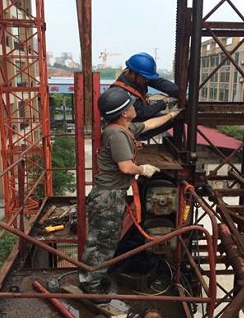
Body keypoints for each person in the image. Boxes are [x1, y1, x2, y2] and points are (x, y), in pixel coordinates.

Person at [78, 87, 182, 303]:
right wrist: (143, 169)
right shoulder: (116, 134)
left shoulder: (123, 128)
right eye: (131, 105)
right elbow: (126, 167)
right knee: (101, 242)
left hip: (111, 195)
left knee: (107, 240)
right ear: (124, 113)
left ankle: (95, 277)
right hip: (107, 196)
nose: (135, 107)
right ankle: (91, 285)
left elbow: (149, 124)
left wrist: (171, 114)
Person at [112, 52, 180, 140]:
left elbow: (174, 89)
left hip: (138, 117)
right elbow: (143, 113)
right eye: (145, 77)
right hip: (129, 127)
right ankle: (136, 139)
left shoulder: (138, 77)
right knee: (169, 119)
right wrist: (164, 102)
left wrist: (151, 80)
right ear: (133, 74)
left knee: (172, 118)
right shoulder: (121, 92)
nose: (147, 80)